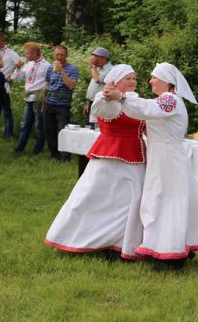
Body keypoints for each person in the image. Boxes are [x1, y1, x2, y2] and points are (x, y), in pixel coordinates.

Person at [102, 62, 198, 265]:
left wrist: (121, 96)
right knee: (163, 199)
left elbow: (147, 109)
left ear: (166, 81)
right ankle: (168, 245)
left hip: (167, 159)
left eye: (154, 77)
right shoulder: (166, 100)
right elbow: (146, 112)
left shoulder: (170, 100)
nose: (150, 81)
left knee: (166, 200)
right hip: (162, 156)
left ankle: (171, 250)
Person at [45, 65, 146, 260]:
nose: (133, 82)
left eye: (135, 78)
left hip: (135, 159)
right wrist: (106, 95)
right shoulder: (106, 100)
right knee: (98, 199)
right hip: (109, 158)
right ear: (116, 81)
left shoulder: (137, 100)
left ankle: (123, 243)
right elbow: (102, 110)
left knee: (132, 202)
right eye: (128, 78)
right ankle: (81, 238)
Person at [12, 42, 51, 154]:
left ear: (34, 53)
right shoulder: (28, 64)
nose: (26, 56)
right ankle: (19, 149)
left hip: (38, 99)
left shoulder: (47, 66)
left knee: (39, 125)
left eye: (27, 53)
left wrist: (42, 93)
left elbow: (49, 82)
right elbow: (18, 78)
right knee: (25, 124)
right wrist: (18, 68)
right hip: (28, 99)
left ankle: (37, 150)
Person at [44, 45, 79, 161]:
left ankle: (65, 157)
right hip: (49, 103)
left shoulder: (73, 69)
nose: (59, 57)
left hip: (63, 105)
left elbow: (71, 86)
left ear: (66, 55)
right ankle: (54, 155)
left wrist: (62, 71)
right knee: (50, 131)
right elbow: (48, 84)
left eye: (61, 55)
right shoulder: (50, 68)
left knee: (63, 131)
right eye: (57, 54)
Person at [0, 30, 20, 140]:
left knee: (6, 112)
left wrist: (12, 77)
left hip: (3, 87)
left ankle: (8, 135)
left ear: (3, 40)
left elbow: (20, 66)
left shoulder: (11, 53)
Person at [84, 46, 112, 127]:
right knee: (90, 128)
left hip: (101, 103)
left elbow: (97, 79)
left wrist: (92, 66)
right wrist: (88, 103)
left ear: (103, 58)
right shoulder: (98, 68)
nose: (93, 59)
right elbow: (95, 87)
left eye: (95, 57)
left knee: (96, 128)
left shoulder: (110, 69)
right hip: (92, 102)